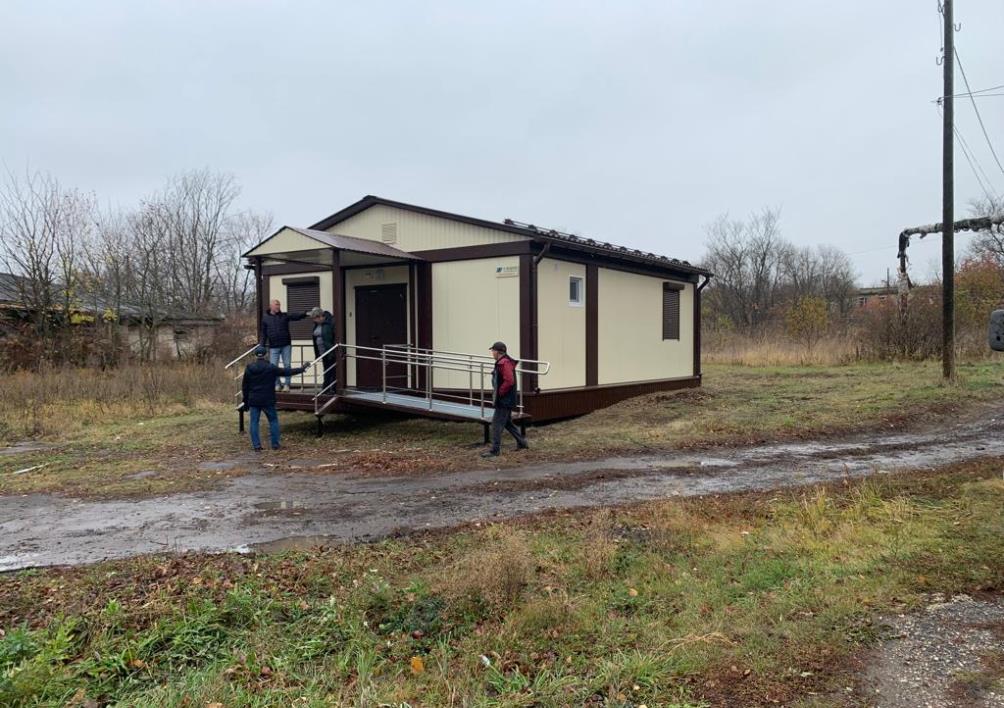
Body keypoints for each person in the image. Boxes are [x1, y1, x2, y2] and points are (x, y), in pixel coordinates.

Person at [241, 345, 307, 451]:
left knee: (254, 422)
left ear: (255, 356)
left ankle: (257, 446)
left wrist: (245, 401)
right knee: (273, 421)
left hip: (254, 399)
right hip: (268, 399)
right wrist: (302, 369)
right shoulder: (271, 368)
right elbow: (286, 372)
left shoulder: (249, 368)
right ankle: (275, 445)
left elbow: (245, 386)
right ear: (266, 355)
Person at [481, 341, 529, 458]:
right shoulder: (502, 362)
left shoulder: (504, 363)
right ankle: (522, 443)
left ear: (498, 352)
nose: (492, 353)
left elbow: (509, 381)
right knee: (507, 423)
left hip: (504, 400)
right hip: (505, 399)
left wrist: (500, 393)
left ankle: (495, 450)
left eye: (493, 350)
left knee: (496, 424)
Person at [260, 299, 309, 391]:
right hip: (273, 347)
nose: (278, 306)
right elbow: (263, 333)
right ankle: (277, 385)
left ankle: (287, 385)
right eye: (276, 305)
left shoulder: (284, 316)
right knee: (273, 366)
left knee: (287, 365)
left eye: (279, 305)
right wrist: (261, 346)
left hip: (286, 345)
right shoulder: (265, 318)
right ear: (271, 306)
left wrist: (305, 313)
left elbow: (295, 316)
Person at [309, 306, 336, 392]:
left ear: (320, 317)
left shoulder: (330, 322)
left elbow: (334, 336)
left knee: (331, 370)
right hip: (322, 351)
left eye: (314, 319)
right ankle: (326, 388)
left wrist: (333, 349)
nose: (314, 321)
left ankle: (331, 388)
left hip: (330, 351)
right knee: (326, 369)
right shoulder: (317, 325)